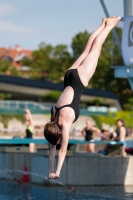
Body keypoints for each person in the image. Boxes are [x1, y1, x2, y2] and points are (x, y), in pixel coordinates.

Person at [44, 16, 121, 179]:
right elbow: (52, 150)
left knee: (96, 48)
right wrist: (49, 170)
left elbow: (62, 150)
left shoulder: (63, 122)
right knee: (87, 49)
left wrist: (57, 172)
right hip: (69, 77)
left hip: (79, 79)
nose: (55, 144)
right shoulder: (53, 119)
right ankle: (103, 24)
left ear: (57, 135)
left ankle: (110, 26)